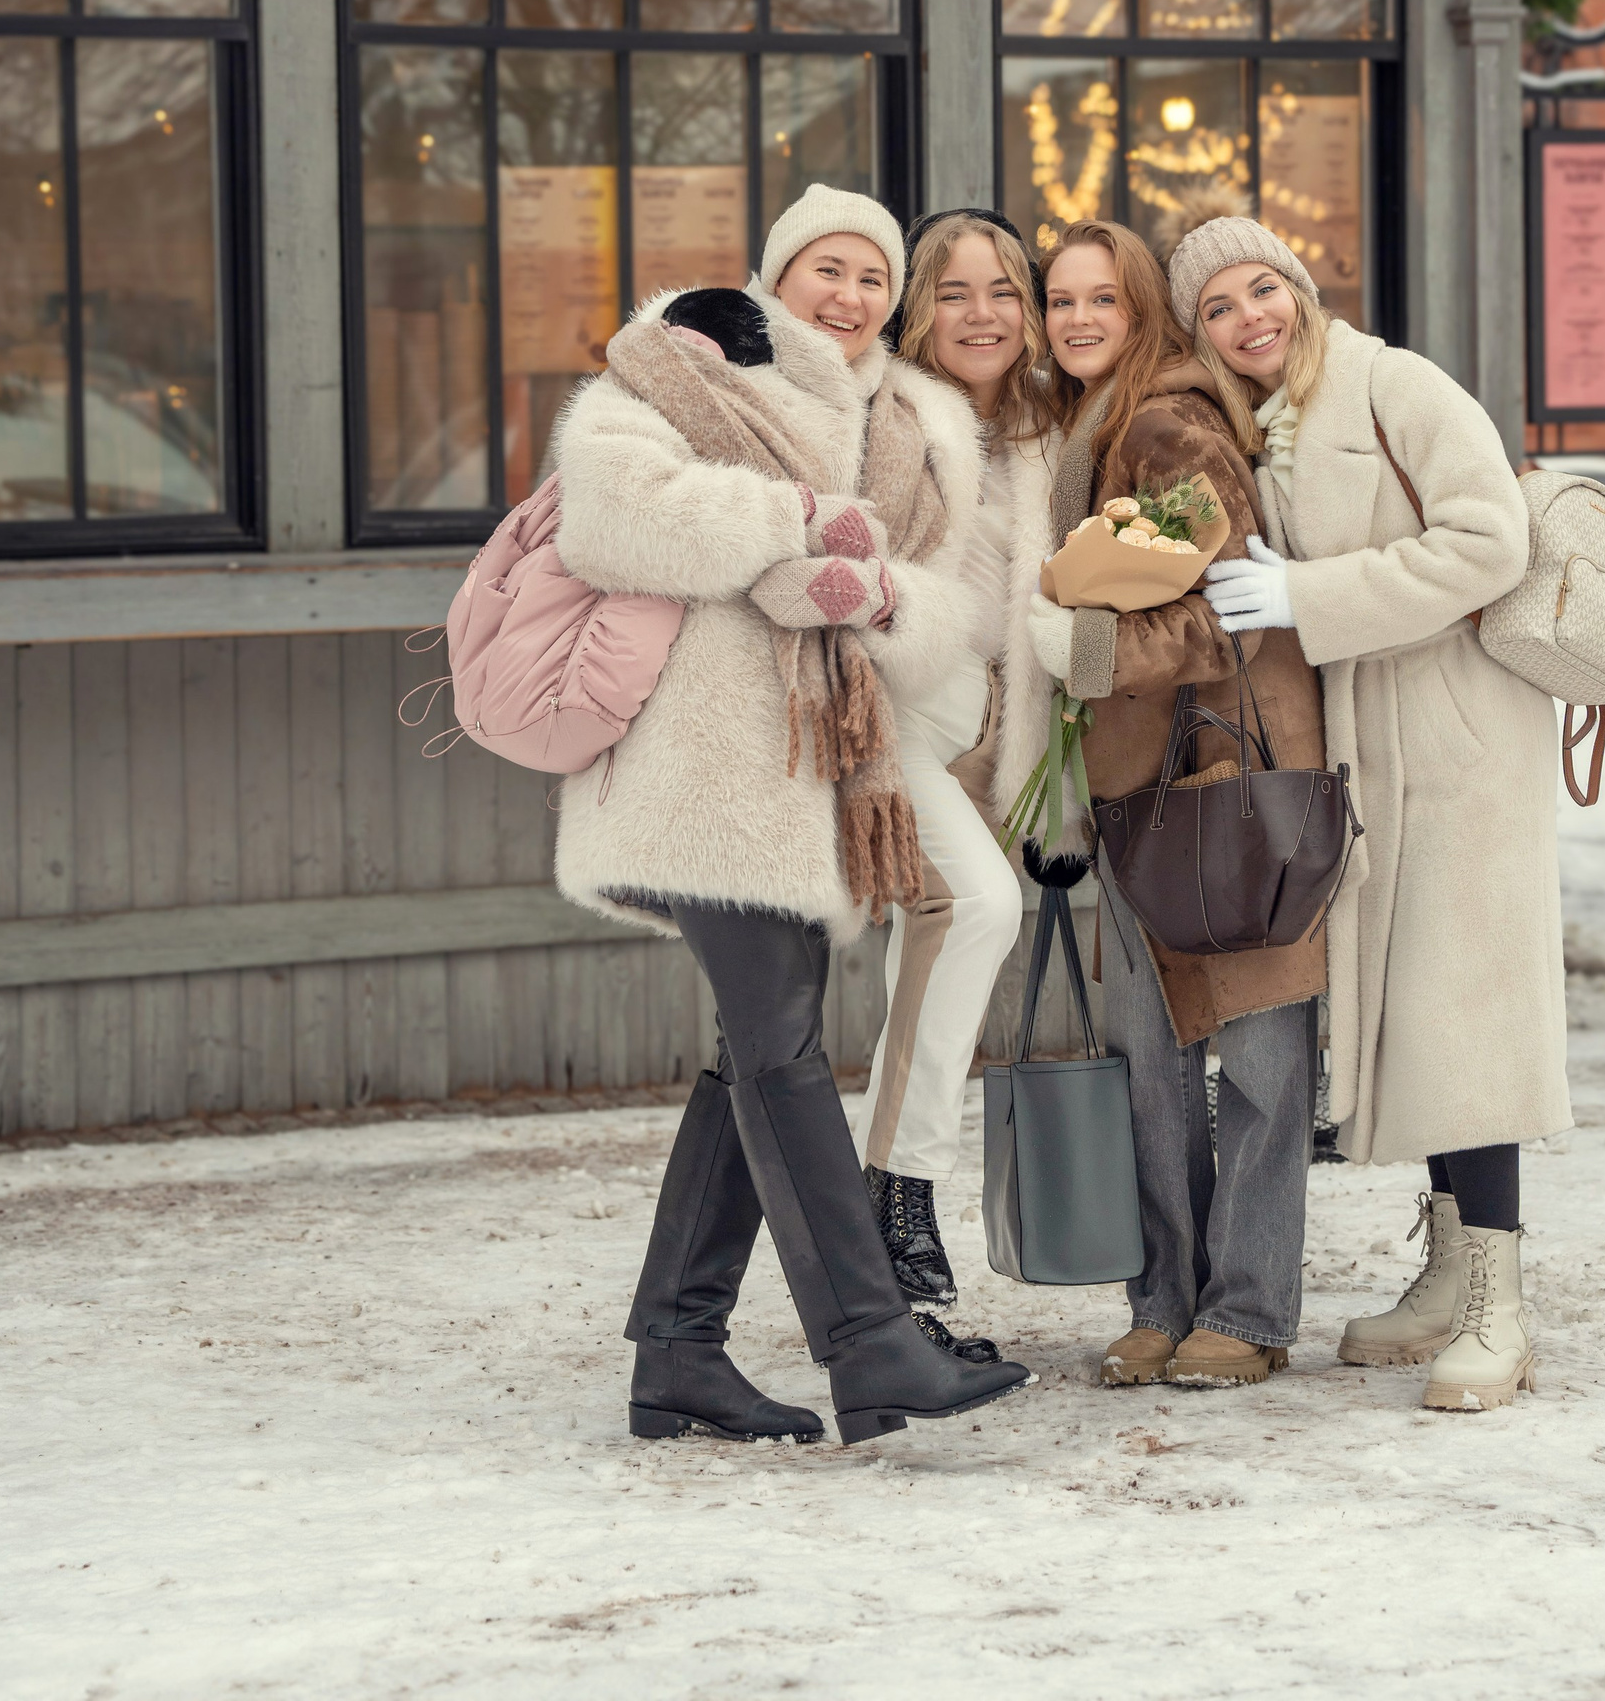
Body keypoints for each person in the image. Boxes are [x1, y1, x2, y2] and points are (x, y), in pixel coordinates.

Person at [551, 185, 1029, 1445]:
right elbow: (611, 515)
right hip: (700, 772)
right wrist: (801, 524)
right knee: (778, 1051)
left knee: (752, 1054)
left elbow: (944, 607)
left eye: (874, 277)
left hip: (814, 776)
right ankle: (872, 1347)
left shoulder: (914, 422)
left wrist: (874, 597)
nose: (851, 296)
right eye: (828, 269)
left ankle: (678, 1351)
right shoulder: (689, 361)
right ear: (778, 274)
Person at [1181, 208, 1565, 1414]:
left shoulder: (1396, 385)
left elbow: (1491, 540)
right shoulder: (1267, 422)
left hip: (1457, 741)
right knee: (1416, 1013)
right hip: (1370, 748)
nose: (1249, 318)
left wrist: (1310, 593)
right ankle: (1450, 1275)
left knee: (1468, 1017)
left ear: (1298, 286)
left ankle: (1501, 1305)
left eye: (1262, 288)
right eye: (1218, 308)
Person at [1026, 219, 1327, 1392]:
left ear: (1145, 308)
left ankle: (1247, 1308)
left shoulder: (1168, 423)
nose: (1079, 319)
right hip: (1138, 784)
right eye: (1061, 300)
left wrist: (1090, 651)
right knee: (1149, 1056)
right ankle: (1163, 1301)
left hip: (1229, 775)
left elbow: (1230, 607)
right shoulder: (1088, 430)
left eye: (1104, 298)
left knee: (1256, 1055)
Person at [859, 209, 1058, 1316]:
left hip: (982, 727)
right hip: (887, 716)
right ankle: (899, 1191)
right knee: (978, 906)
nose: (981, 315)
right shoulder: (885, 411)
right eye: (953, 291)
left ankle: (881, 1230)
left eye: (1003, 291)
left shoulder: (1040, 430)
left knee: (930, 950)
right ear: (915, 308)